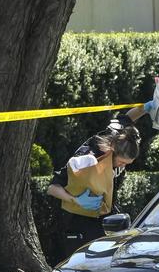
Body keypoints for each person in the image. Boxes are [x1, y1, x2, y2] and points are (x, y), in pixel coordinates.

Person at [46, 105, 148, 257]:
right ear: (112, 151)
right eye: (121, 162)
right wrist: (75, 200)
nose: (123, 166)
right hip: (79, 222)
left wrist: (149, 106)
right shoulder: (86, 160)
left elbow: (128, 117)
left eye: (127, 164)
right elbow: (52, 188)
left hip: (106, 216)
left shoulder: (121, 137)